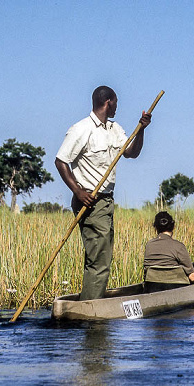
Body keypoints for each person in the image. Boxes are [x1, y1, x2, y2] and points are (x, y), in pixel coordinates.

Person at [55, 86, 151, 301]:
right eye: (116, 102)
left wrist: (142, 129)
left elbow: (131, 153)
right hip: (90, 201)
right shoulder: (81, 129)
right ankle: (90, 308)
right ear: (108, 102)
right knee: (99, 260)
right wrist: (78, 191)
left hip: (106, 201)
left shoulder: (114, 128)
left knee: (101, 258)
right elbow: (61, 161)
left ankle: (91, 303)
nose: (118, 106)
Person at [144, 211, 194, 284]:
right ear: (173, 226)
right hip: (174, 287)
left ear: (156, 228)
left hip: (152, 286)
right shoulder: (178, 246)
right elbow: (192, 277)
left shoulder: (149, 245)